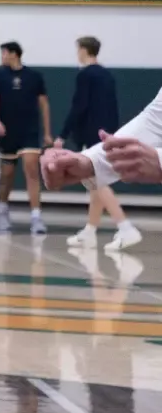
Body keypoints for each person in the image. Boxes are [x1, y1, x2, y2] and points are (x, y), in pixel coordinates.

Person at [59, 36, 140, 252]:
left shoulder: (85, 75)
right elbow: (113, 107)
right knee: (94, 183)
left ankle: (125, 227)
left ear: (84, 50)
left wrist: (62, 135)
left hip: (91, 136)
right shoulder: (107, 75)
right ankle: (89, 231)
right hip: (106, 135)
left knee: (97, 182)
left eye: (78, 49)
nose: (77, 53)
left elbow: (79, 107)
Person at [0, 41, 50, 235]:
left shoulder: (34, 76)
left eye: (4, 53)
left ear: (13, 54)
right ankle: (3, 209)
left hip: (29, 130)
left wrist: (47, 132)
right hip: (8, 131)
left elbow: (44, 105)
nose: (2, 57)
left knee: (31, 169)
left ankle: (36, 217)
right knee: (7, 174)